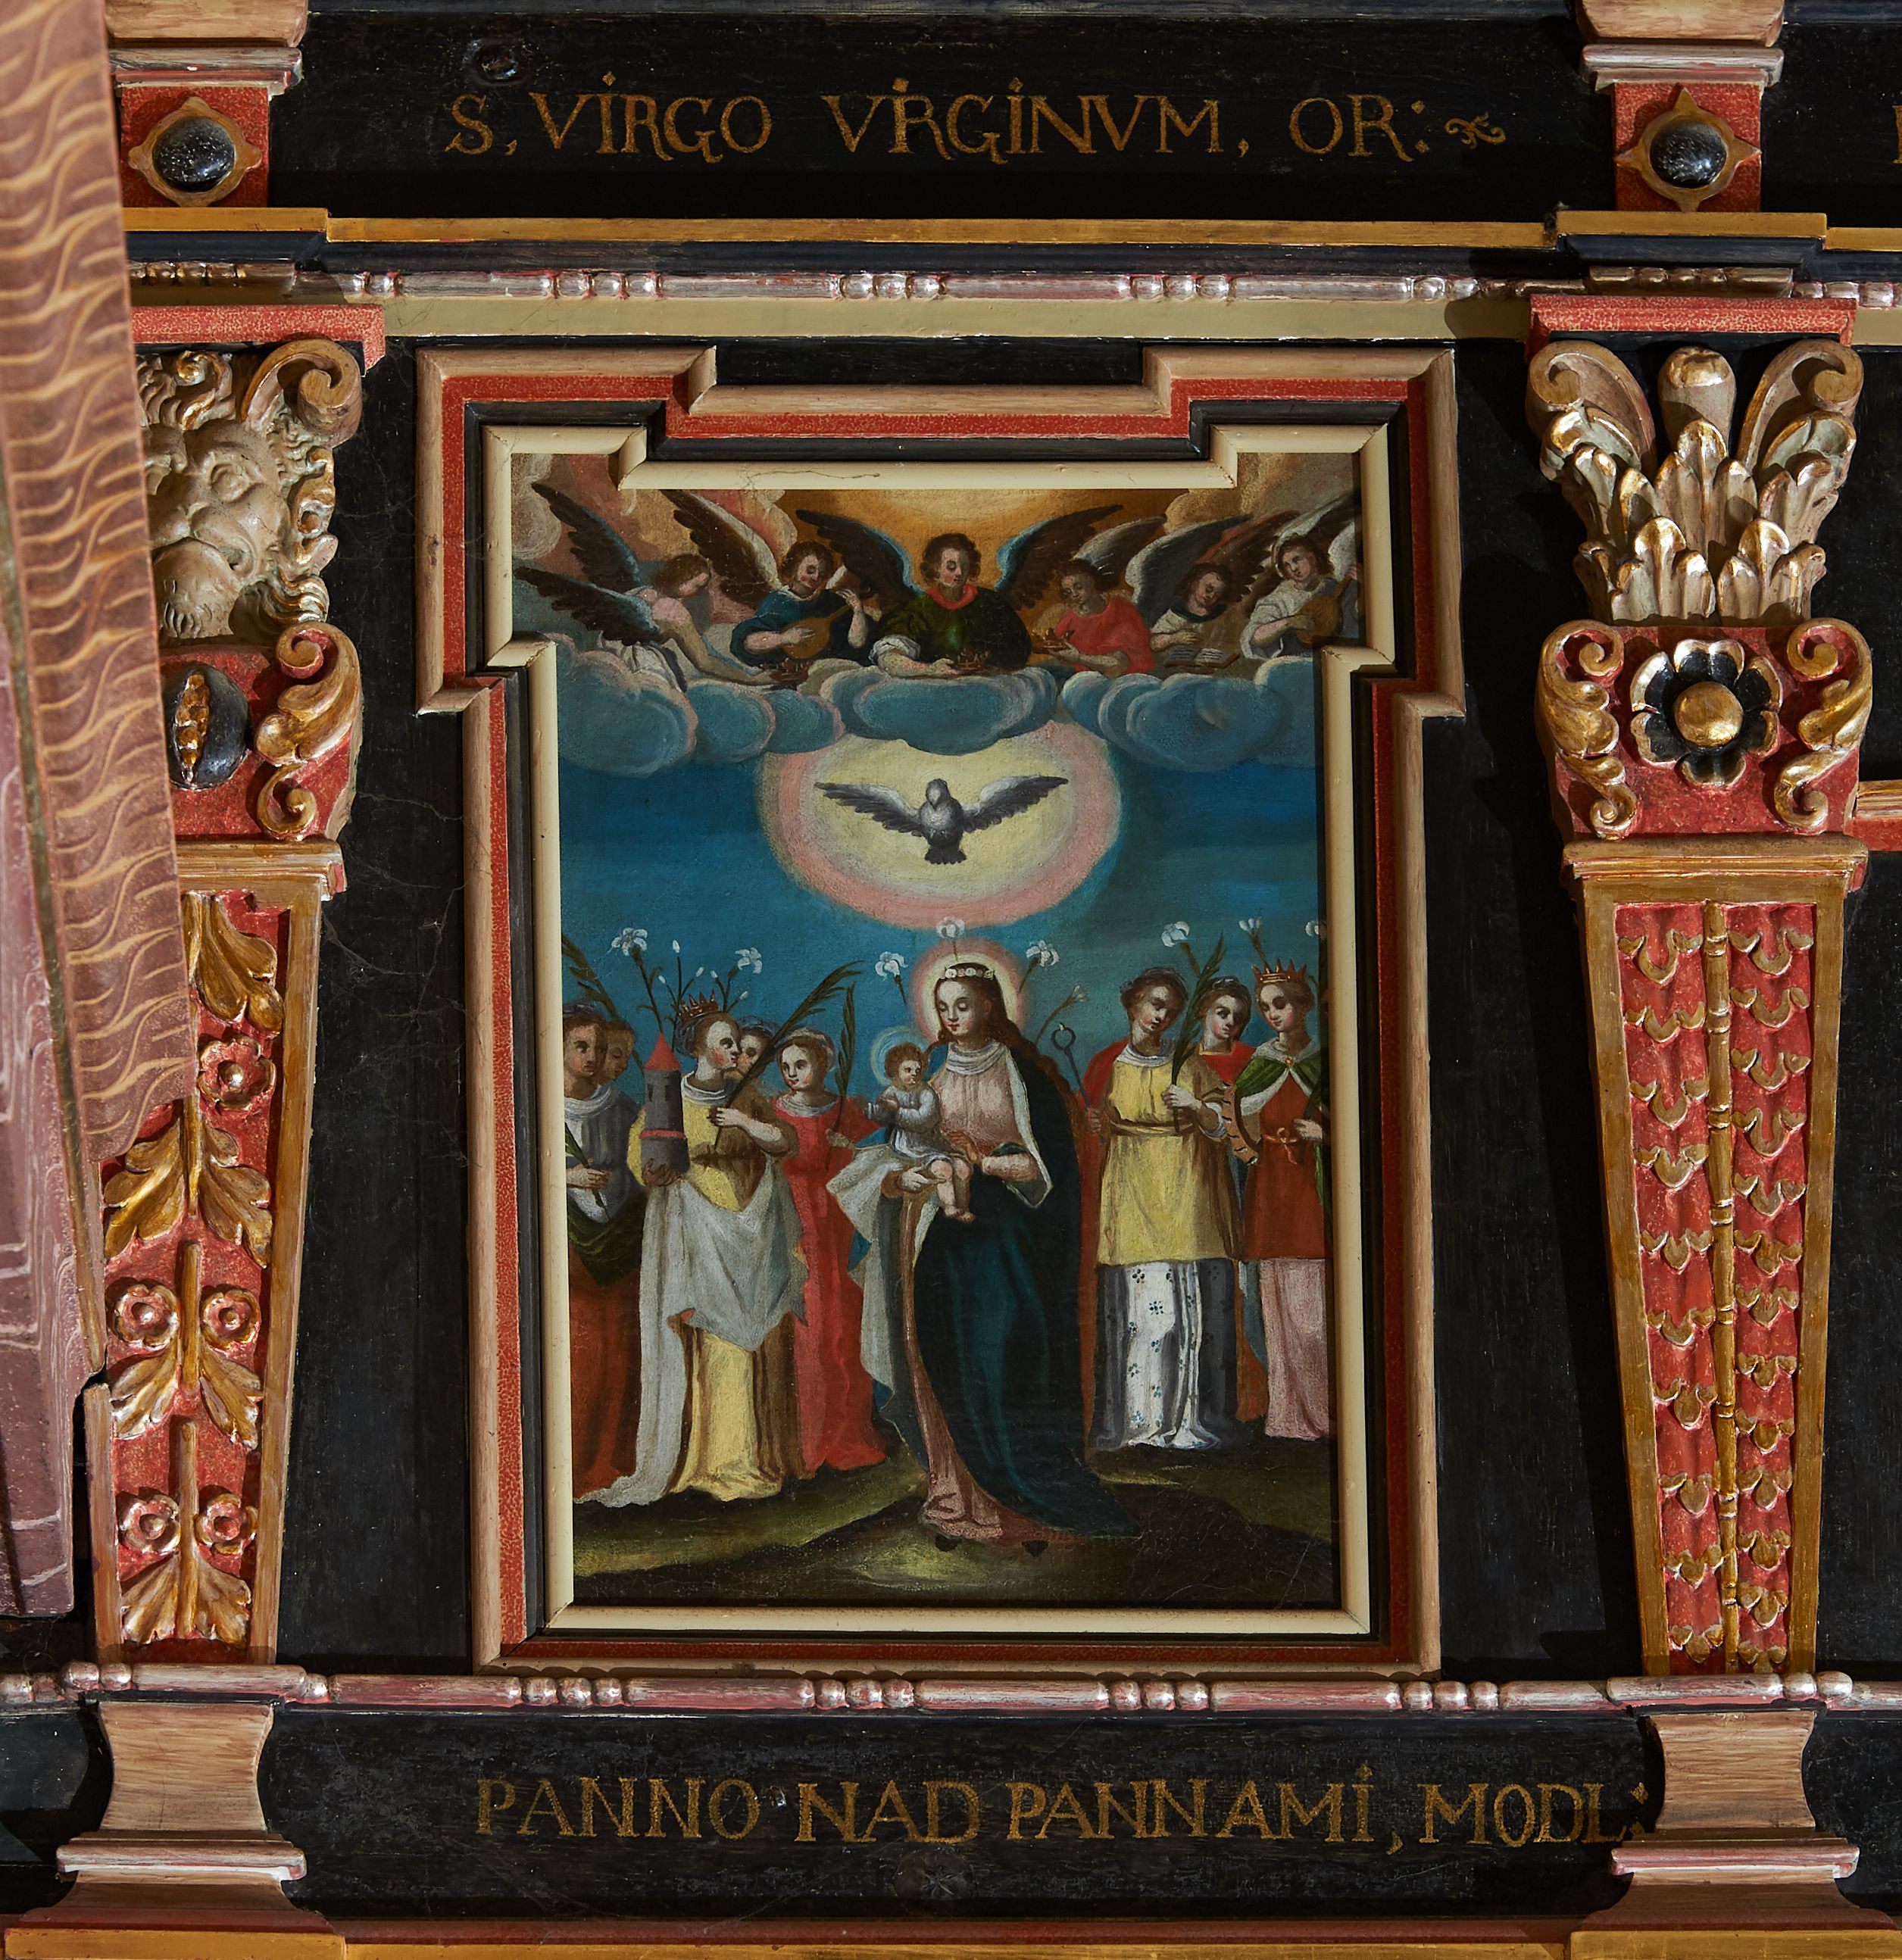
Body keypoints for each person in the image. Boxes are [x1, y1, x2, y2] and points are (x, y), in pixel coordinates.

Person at [832, 966, 1131, 1545]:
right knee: (940, 1358)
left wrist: (984, 1161)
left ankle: (1016, 1497)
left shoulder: (1024, 1074)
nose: (951, 1017)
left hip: (1007, 1246)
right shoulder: (931, 1076)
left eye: (962, 1004)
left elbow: (1048, 1170)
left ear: (990, 1006)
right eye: (943, 1006)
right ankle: (955, 1494)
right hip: (940, 1246)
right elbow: (905, 1150)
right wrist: (907, 1177)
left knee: (1003, 1358)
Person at [599, 1008, 805, 1506]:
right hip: (691, 1235)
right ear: (697, 1048)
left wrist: (745, 1124)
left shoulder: (747, 1096)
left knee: (745, 1340)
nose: (734, 1050)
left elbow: (785, 1143)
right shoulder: (669, 1096)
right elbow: (644, 1158)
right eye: (724, 1042)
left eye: (735, 1042)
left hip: (749, 1236)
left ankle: (746, 1459)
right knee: (704, 1338)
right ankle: (706, 1463)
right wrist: (658, 1171)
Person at [1081, 970, 1246, 1451]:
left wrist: (1194, 1104)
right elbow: (1097, 1127)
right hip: (1132, 1191)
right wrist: (1096, 1122)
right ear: (1132, 1004)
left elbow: (1222, 1126)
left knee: (1184, 1316)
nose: (1161, 1016)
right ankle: (1139, 1425)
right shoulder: (1108, 1063)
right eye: (1154, 1004)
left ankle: (1186, 1423)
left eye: (1171, 1010)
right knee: (1142, 1315)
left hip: (1186, 1192)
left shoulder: (1188, 1061)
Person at [1229, 962, 1332, 1441]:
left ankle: (1326, 1413)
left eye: (1281, 1004)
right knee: (1275, 1310)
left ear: (1303, 1006)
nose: (1272, 1014)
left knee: (1314, 1316)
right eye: (1266, 1007)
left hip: (1311, 1191)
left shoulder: (1323, 1063)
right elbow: (1238, 1119)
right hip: (1271, 1190)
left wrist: (1326, 1135)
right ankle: (1288, 1417)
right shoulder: (1261, 1063)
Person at [773, 1031, 885, 1475]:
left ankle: (847, 1436)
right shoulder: (775, 1113)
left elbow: (879, 1152)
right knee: (807, 1331)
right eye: (785, 1067)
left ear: (824, 1065)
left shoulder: (847, 1111)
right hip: (794, 1232)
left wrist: (852, 1144)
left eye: (800, 1065)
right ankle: (806, 1442)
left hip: (840, 1231)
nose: (792, 1074)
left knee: (843, 1331)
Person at [563, 1009, 644, 1499]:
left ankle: (612, 1463)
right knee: (580, 1354)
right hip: (573, 1251)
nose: (592, 1057)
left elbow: (641, 1166)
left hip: (620, 1244)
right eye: (581, 1046)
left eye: (598, 1048)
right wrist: (565, 1176)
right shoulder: (540, 1104)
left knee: (620, 1354)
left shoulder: (622, 1107)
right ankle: (568, 1467)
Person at [874, 533, 1033, 675]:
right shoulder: (918, 609)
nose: (959, 573)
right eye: (951, 567)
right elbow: (888, 659)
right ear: (936, 568)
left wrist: (993, 668)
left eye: (964, 567)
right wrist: (930, 670)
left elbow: (1019, 650)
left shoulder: (990, 603)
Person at [732, 541, 872, 671]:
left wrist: (858, 611)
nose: (816, 577)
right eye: (810, 571)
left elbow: (857, 643)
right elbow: (748, 643)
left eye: (822, 574)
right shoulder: (777, 602)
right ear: (793, 569)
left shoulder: (831, 601)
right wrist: (784, 638)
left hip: (827, 669)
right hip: (790, 672)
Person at [871, 1041, 972, 1222]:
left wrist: (898, 1110)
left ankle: (963, 1207)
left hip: (929, 1144)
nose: (914, 1074)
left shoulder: (926, 1093)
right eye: (908, 1070)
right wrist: (875, 1110)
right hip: (906, 1148)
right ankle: (949, 1206)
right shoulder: (890, 1092)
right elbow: (882, 1117)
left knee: (963, 1169)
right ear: (895, 1070)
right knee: (943, 1168)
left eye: (917, 1070)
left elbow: (924, 1120)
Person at [1242, 538, 1361, 662]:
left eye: (1297, 560)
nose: (1293, 568)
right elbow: (1255, 638)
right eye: (1287, 565)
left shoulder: (1332, 586)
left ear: (1312, 558)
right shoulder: (1279, 599)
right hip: (1296, 661)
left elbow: (1354, 622)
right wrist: (1289, 622)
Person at [1038, 559, 1152, 676]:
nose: (1074, 594)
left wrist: (1078, 658)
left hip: (1124, 680)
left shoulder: (1121, 612)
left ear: (1091, 580)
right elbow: (1061, 663)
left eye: (1079, 587)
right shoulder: (1067, 621)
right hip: (1077, 681)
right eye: (1068, 592)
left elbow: (1119, 664)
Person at [1149, 565, 1241, 669]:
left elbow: (1233, 646)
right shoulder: (1175, 614)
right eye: (1209, 589)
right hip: (1175, 670)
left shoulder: (1224, 617)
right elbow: (1154, 644)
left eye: (1216, 595)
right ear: (1194, 585)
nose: (1211, 596)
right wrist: (1174, 638)